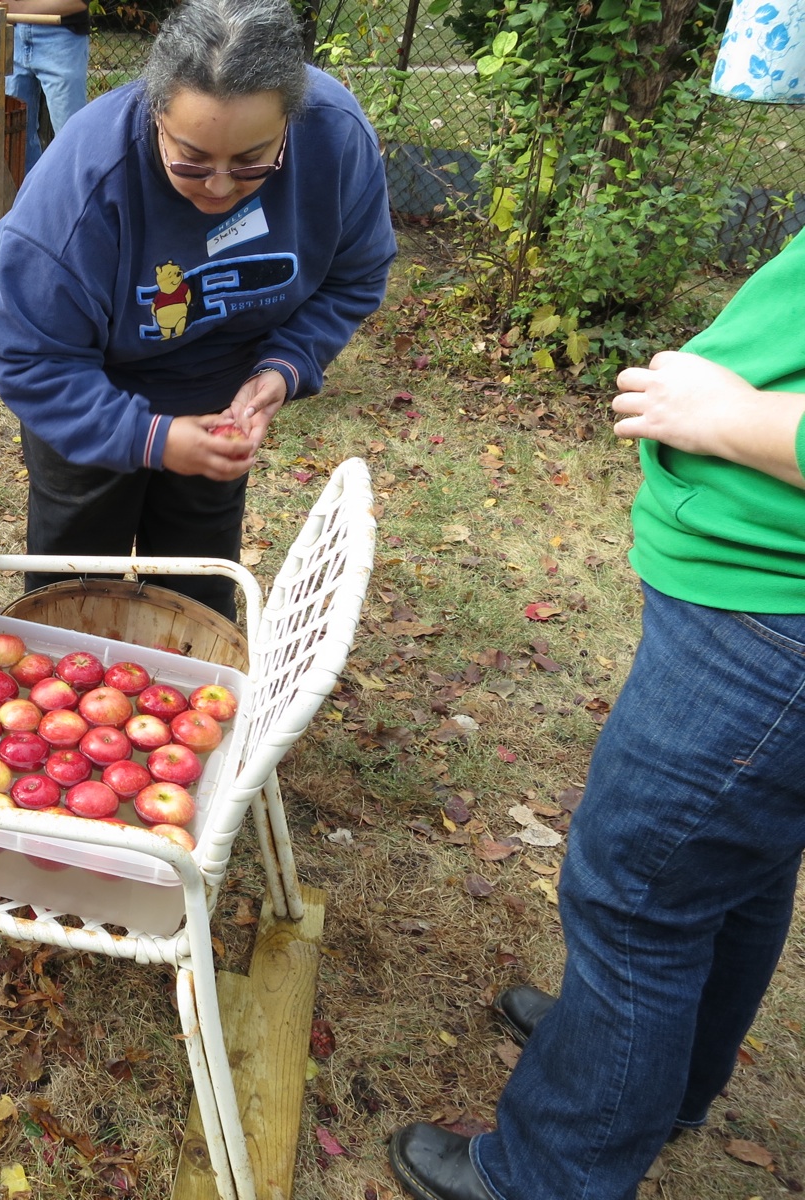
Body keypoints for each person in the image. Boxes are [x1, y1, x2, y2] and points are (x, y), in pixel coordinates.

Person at [386, 243, 805, 1197]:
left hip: (777, 628)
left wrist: (732, 417)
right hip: (758, 601)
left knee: (636, 901)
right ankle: (659, 1078)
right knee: (732, 867)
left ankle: (549, 1174)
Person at [0, 0, 395, 619]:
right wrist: (150, 436)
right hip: (92, 400)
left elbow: (354, 274)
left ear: (291, 119)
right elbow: (29, 356)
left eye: (254, 162)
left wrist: (285, 363)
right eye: (192, 161)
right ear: (155, 114)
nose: (222, 187)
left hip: (219, 397)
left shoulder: (334, 136)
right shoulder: (80, 192)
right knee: (74, 587)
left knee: (196, 589)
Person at [4, 0, 91, 172]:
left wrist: (13, 7)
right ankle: (30, 197)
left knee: (72, 142)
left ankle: (73, 198)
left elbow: (79, 2)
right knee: (15, 143)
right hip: (11, 32)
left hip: (62, 36)